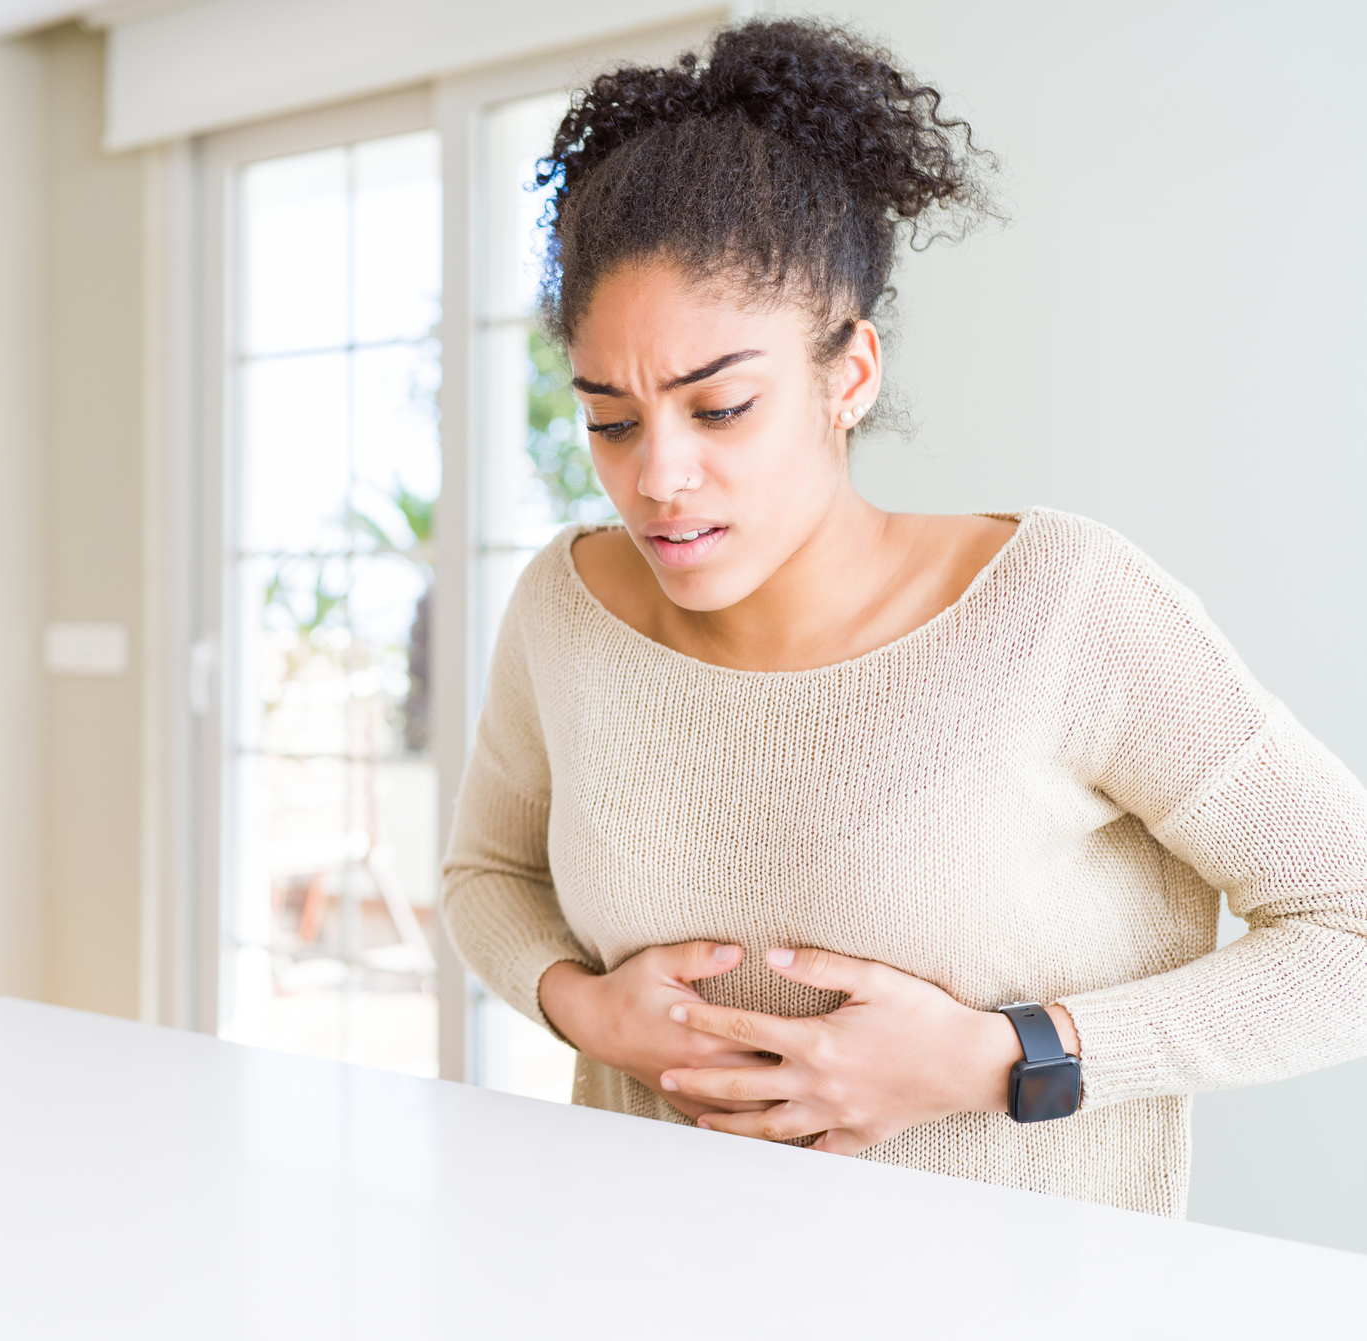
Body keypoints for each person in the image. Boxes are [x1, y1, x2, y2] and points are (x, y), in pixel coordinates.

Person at [440, 17, 1367, 1217]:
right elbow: (486, 875)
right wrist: (580, 1003)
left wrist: (1004, 1058)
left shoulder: (1063, 611)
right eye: (612, 420)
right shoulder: (565, 610)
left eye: (720, 408)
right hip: (647, 1270)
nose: (657, 476)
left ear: (851, 374)